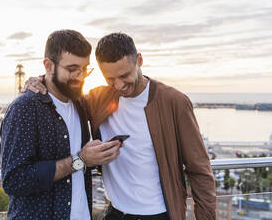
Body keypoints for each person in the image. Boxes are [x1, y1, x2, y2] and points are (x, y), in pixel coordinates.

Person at [25, 32, 217, 220]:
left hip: (159, 215)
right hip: (115, 212)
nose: (118, 85)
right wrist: (41, 79)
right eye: (110, 79)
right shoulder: (99, 99)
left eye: (124, 75)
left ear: (139, 60)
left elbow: (199, 169)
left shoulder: (174, 102)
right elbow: (63, 91)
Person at [0, 29, 121, 220]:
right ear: (48, 65)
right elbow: (15, 180)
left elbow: (125, 85)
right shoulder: (24, 108)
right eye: (72, 69)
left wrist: (100, 155)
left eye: (84, 69)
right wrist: (80, 160)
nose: (80, 77)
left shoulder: (80, 102)